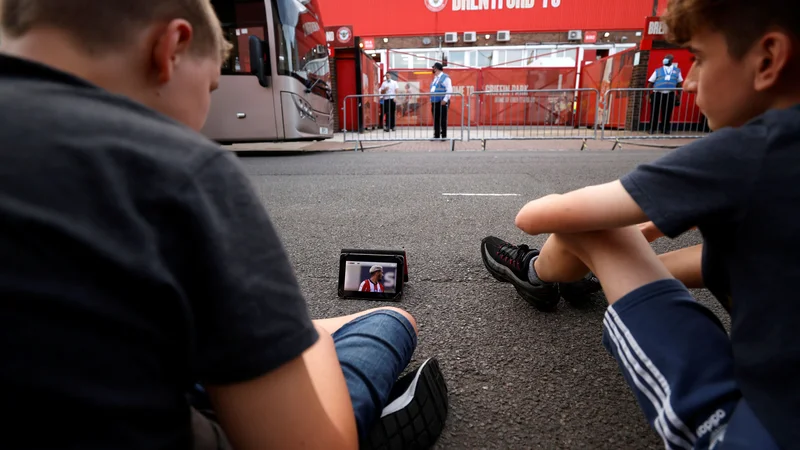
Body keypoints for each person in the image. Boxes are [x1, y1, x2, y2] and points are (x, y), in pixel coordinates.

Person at [0, 1, 447, 449]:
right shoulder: (175, 167)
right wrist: (301, 340)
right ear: (170, 48)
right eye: (212, 85)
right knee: (389, 320)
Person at [481, 0, 799, 447]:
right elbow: (753, 260)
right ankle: (586, 279)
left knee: (592, 227)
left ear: (767, 58)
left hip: (747, 433)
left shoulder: (751, 151)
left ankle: (534, 272)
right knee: (732, 247)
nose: (687, 80)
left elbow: (533, 216)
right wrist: (654, 228)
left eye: (701, 59)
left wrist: (637, 227)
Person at [647, 53, 684, 134]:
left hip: (669, 94)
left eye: (667, 58)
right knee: (654, 112)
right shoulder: (658, 70)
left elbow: (679, 84)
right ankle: (652, 129)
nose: (665, 59)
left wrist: (679, 95)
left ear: (671, 60)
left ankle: (665, 129)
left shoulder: (677, 71)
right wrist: (649, 95)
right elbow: (650, 82)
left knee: (667, 112)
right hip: (657, 94)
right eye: (665, 58)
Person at [430, 62, 453, 140]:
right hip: (434, 101)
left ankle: (443, 135)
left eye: (434, 68)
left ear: (437, 68)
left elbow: (449, 89)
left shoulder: (445, 77)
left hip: (442, 101)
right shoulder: (435, 78)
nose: (433, 69)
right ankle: (436, 135)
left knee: (443, 119)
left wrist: (445, 99)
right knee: (436, 119)